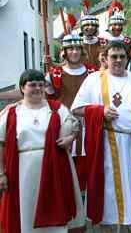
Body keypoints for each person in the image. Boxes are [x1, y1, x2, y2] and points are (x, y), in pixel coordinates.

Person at [71, 41, 131, 231]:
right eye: (114, 56)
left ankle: (122, 226)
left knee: (129, 188)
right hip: (107, 143)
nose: (118, 60)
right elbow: (76, 109)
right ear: (105, 58)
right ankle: (107, 227)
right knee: (109, 189)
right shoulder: (94, 79)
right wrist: (100, 111)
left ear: (128, 58)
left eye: (122, 56)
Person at [0, 69, 85, 232]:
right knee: (27, 208)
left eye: (41, 85)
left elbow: (75, 126)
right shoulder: (12, 113)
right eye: (32, 85)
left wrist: (70, 138)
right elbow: (1, 142)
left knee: (54, 204)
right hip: (23, 171)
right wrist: (1, 173)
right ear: (22, 88)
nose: (38, 88)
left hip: (56, 166)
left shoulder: (57, 108)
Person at [46, 34, 98, 192]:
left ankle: (86, 197)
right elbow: (46, 99)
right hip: (64, 124)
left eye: (77, 48)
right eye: (70, 49)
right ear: (64, 52)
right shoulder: (55, 74)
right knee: (65, 163)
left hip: (88, 124)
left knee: (88, 163)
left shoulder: (93, 72)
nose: (74, 52)